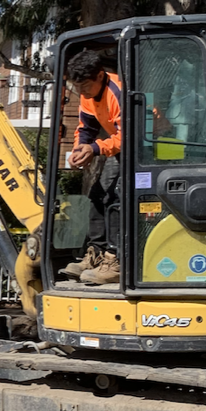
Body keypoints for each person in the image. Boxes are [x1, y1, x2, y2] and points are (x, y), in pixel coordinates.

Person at [61, 48, 122, 286]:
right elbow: (86, 128)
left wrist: (95, 149)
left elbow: (130, 134)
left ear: (100, 76)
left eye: (84, 86)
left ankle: (116, 259)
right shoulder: (88, 95)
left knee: (118, 198)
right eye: (77, 87)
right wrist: (80, 149)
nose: (81, 92)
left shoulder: (117, 92)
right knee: (98, 195)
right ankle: (95, 255)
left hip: (148, 148)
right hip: (119, 148)